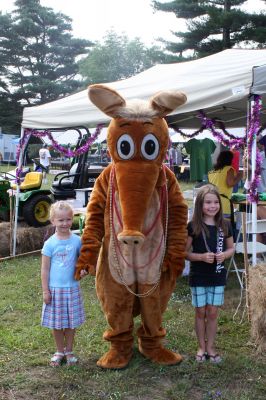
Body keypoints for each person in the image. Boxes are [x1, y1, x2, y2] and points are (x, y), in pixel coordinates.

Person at [186, 184, 234, 363]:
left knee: (212, 312)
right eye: (208, 202)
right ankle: (201, 347)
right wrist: (200, 257)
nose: (212, 206)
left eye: (215, 202)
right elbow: (184, 253)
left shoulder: (225, 225)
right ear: (200, 205)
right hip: (199, 276)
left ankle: (211, 347)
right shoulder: (193, 226)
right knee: (200, 312)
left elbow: (232, 249)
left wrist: (225, 255)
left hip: (217, 276)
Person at [41, 201, 85, 367]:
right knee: (57, 324)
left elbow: (83, 262)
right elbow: (45, 270)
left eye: (68, 219)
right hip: (55, 291)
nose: (65, 223)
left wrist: (84, 270)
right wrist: (46, 291)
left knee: (71, 323)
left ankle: (69, 350)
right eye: (60, 220)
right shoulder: (50, 244)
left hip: (72, 288)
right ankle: (59, 350)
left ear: (72, 219)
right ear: (53, 221)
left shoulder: (77, 241)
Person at [208, 150, 243, 228]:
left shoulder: (212, 171)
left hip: (212, 201)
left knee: (214, 228)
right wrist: (239, 176)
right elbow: (230, 183)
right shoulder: (229, 169)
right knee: (225, 230)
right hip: (223, 204)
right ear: (229, 159)